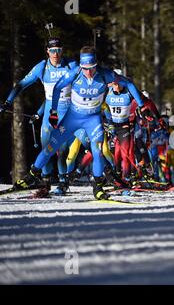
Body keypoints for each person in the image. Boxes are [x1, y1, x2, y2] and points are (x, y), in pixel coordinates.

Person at [9, 46, 150, 200]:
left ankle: (98, 187)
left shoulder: (105, 74)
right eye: (85, 68)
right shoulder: (74, 73)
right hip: (72, 119)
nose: (88, 72)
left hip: (93, 120)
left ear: (96, 64)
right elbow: (57, 88)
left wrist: (142, 106)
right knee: (50, 147)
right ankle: (32, 175)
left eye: (91, 68)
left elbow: (128, 84)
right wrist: (54, 112)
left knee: (97, 151)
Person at [0, 38, 77, 194]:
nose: (56, 54)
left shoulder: (72, 65)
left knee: (61, 150)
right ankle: (45, 181)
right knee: (46, 149)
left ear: (62, 51)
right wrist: (8, 102)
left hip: (67, 113)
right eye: (52, 50)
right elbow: (21, 84)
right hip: (50, 113)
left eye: (58, 50)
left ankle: (63, 181)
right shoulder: (41, 68)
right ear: (47, 51)